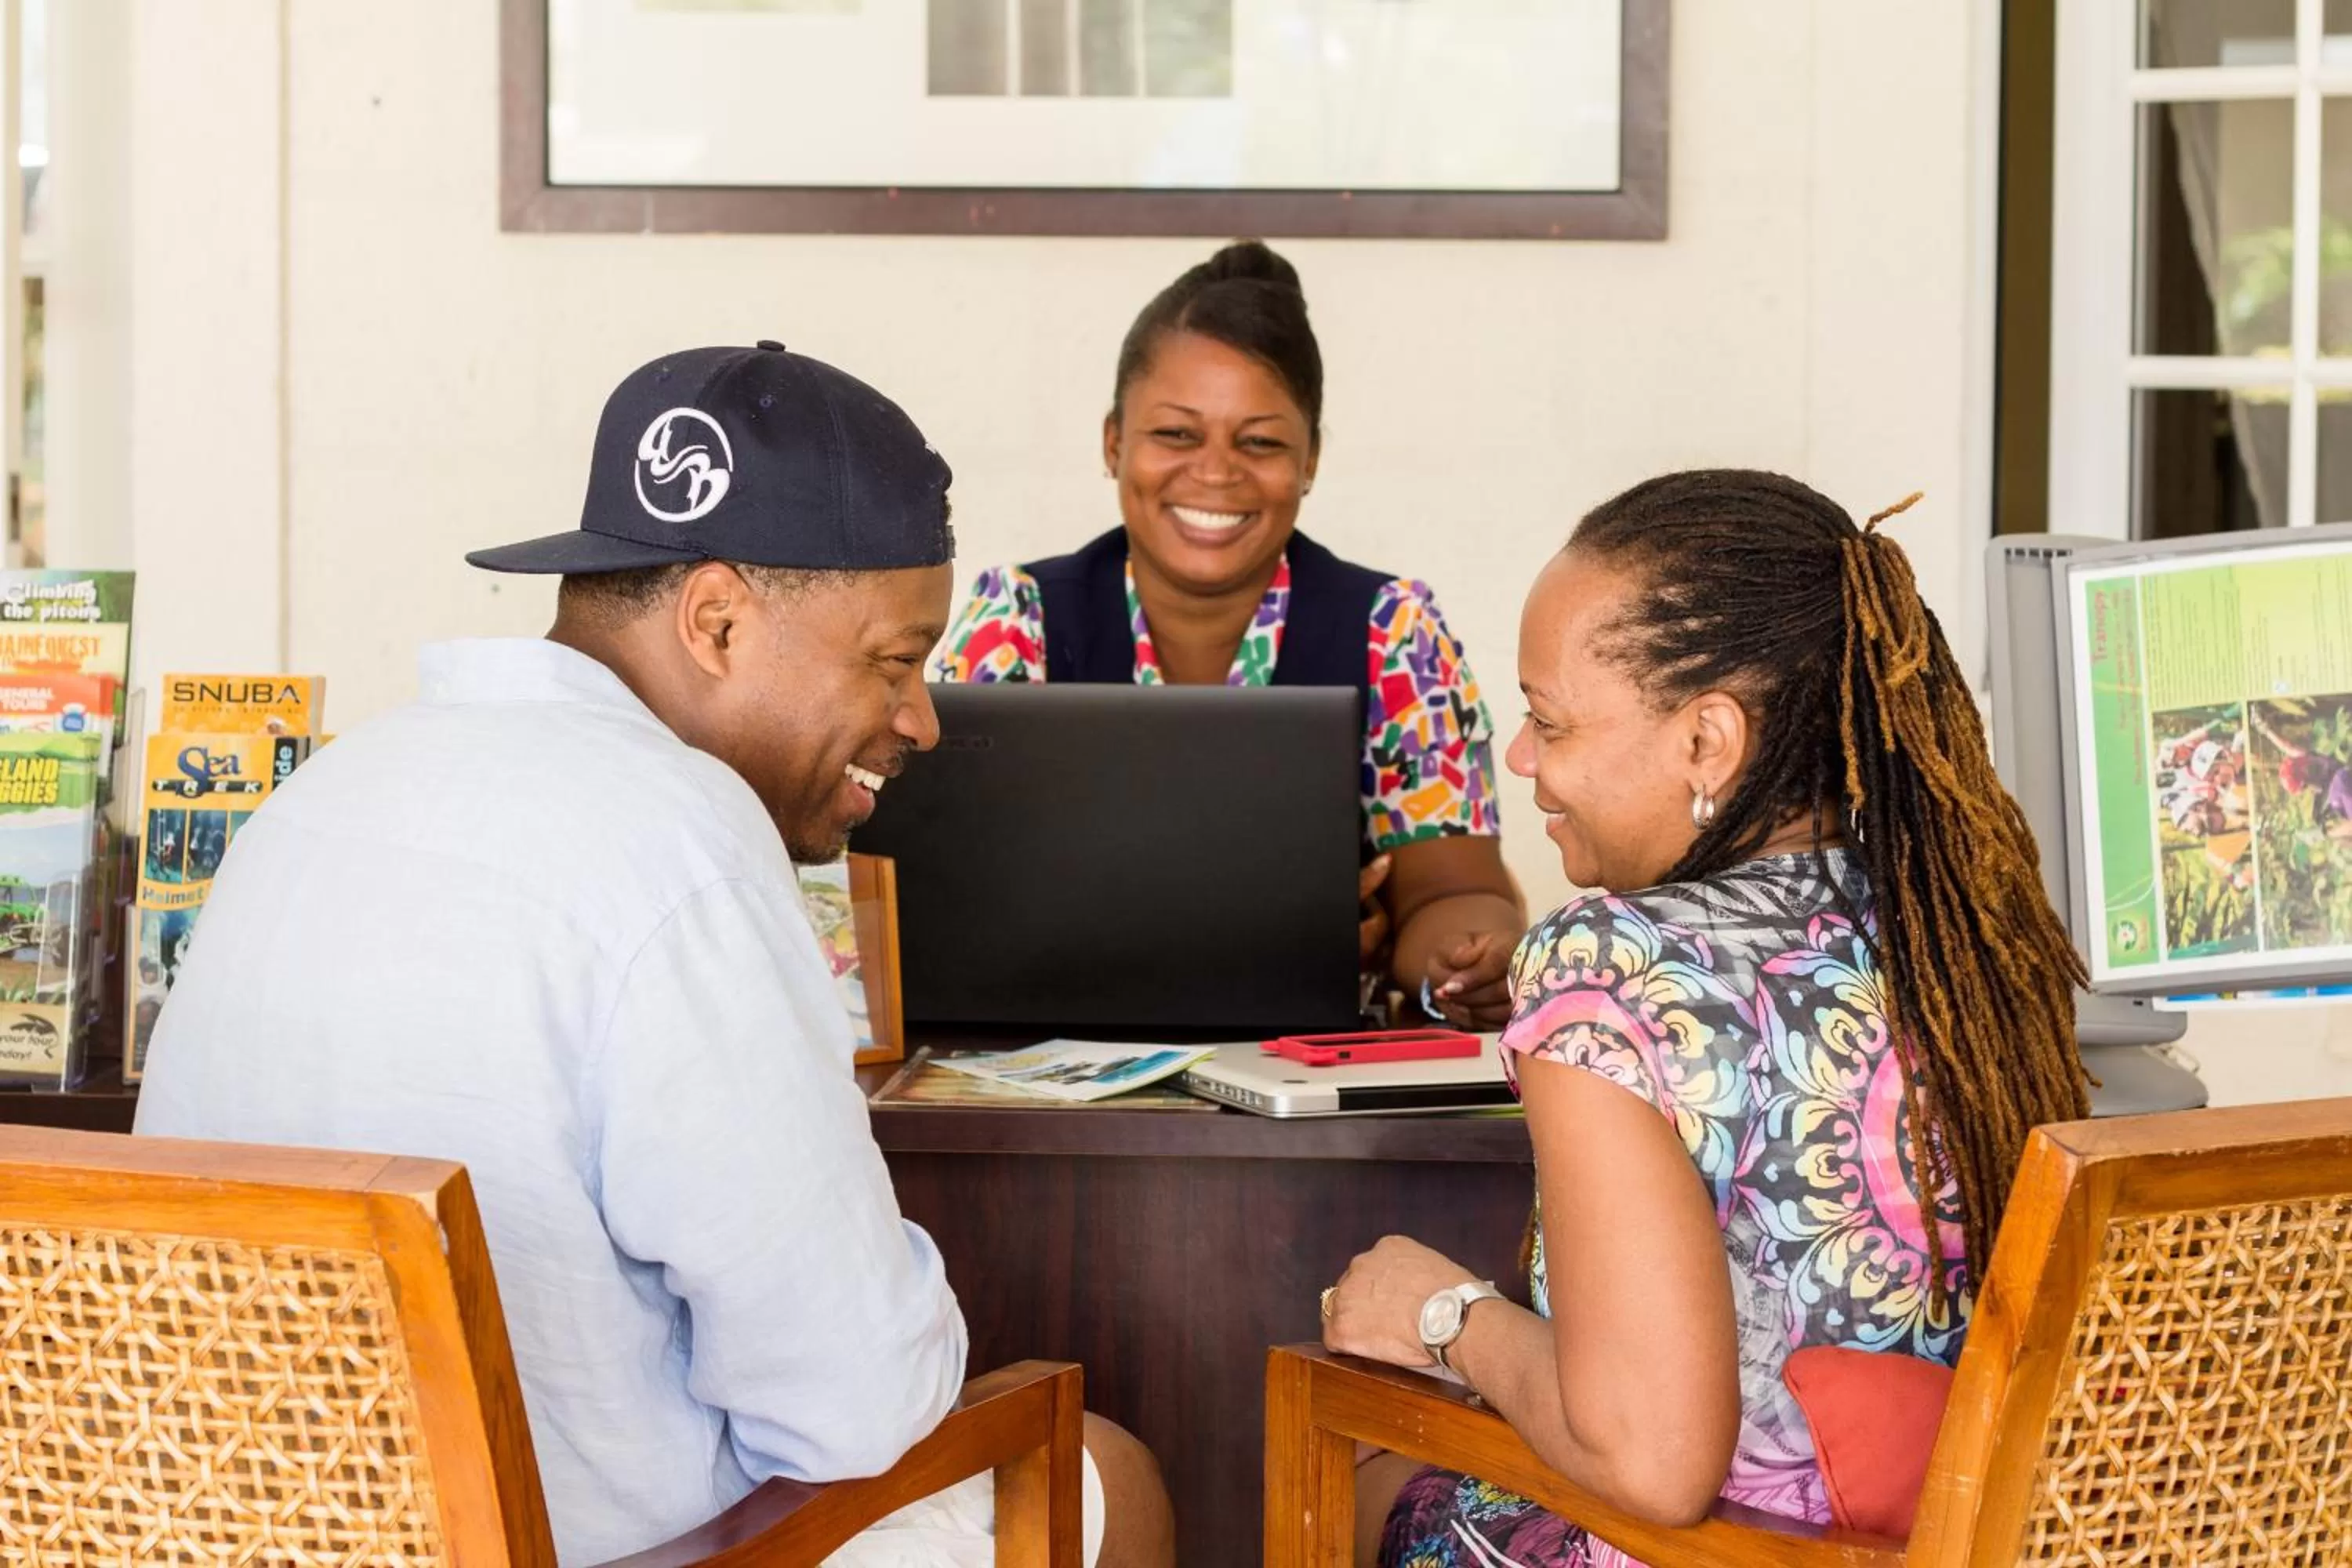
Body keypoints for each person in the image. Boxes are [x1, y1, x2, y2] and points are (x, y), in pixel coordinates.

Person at [135, 343, 1173, 1568]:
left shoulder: (321, 793)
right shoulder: (682, 845)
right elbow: (854, 1410)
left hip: (240, 1539)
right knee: (1104, 1466)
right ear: (719, 621)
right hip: (597, 1556)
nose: (922, 719)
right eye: (894, 659)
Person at [1318, 471, 2091, 1566]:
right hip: (1933, 1540)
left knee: (1363, 1455)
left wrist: (1445, 1316)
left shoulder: (1609, 966)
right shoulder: (1957, 930)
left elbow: (1652, 1462)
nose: (1523, 759)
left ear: (1706, 743)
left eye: (1550, 721)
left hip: (1720, 1551)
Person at [934, 241, 1524, 1028]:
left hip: (1312, 1095)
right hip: (1041, 1073)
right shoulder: (1018, 620)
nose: (1215, 473)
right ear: (1115, 442)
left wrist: (1460, 965)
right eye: (1177, 434)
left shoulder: (1393, 631)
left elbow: (1456, 894)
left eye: (1261, 441)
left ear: (1310, 458)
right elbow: (948, 894)